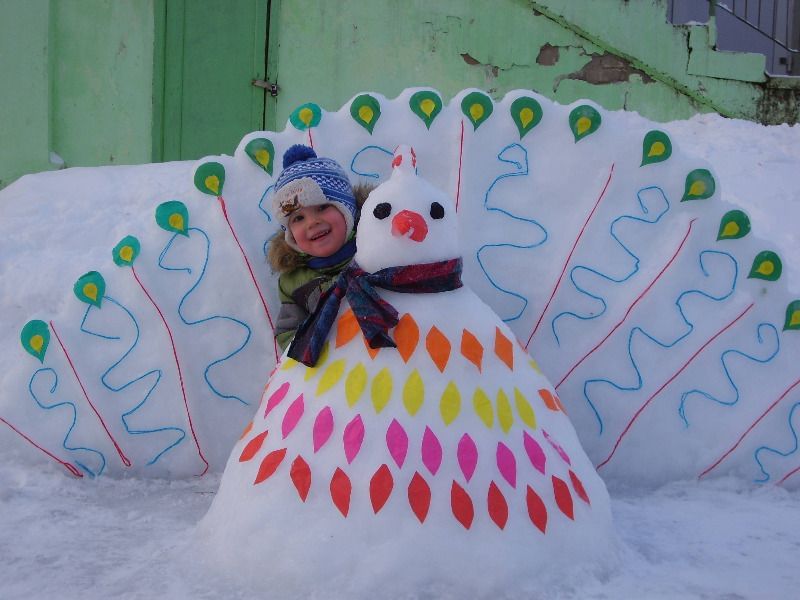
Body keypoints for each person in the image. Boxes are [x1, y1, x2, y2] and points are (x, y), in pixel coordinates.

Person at [268, 144, 371, 351]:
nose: (312, 223)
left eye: (322, 207)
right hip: (336, 368)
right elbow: (289, 332)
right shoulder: (292, 282)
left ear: (348, 211)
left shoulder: (376, 249)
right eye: (298, 218)